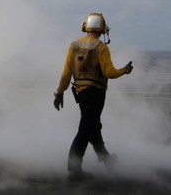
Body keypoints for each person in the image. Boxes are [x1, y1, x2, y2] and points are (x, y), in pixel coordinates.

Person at [54, 12, 133, 181]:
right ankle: (74, 170)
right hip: (96, 94)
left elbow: (66, 73)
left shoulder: (74, 45)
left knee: (93, 127)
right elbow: (109, 73)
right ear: (103, 28)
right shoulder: (101, 48)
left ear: (85, 27)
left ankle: (106, 160)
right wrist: (125, 70)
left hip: (81, 94)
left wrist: (59, 93)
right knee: (85, 130)